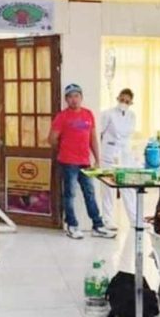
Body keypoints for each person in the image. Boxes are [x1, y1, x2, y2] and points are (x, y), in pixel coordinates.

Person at [48, 84, 116, 240]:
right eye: (70, 96)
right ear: (66, 99)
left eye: (76, 96)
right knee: (70, 194)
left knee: (90, 194)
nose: (74, 99)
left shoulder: (88, 115)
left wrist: (98, 159)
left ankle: (97, 226)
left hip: (85, 162)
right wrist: (64, 146)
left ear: (81, 97)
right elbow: (51, 139)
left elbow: (93, 138)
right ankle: (72, 226)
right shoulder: (62, 117)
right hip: (68, 162)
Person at [99, 88, 136, 229]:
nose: (124, 103)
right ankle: (107, 220)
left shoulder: (132, 116)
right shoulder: (107, 114)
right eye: (122, 100)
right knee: (108, 189)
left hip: (125, 156)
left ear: (131, 102)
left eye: (127, 101)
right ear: (117, 98)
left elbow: (128, 135)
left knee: (129, 188)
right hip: (109, 154)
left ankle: (134, 219)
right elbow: (99, 132)